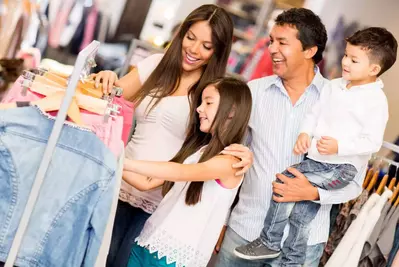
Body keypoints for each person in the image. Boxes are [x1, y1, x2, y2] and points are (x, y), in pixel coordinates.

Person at [92, 5, 254, 267]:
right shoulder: (156, 65)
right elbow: (112, 97)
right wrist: (108, 77)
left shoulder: (213, 93)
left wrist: (245, 152)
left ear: (218, 51)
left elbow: (219, 143)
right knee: (96, 258)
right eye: (190, 38)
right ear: (181, 33)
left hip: (159, 198)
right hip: (118, 183)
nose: (193, 50)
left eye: (206, 46)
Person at [213, 8, 365, 267]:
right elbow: (231, 162)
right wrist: (221, 220)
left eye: (282, 42)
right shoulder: (254, 92)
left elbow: (355, 182)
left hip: (301, 247)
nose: (272, 49)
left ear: (310, 50)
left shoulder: (342, 103)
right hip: (245, 229)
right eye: (271, 41)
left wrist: (314, 193)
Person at [234, 27, 397, 265]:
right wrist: (304, 134)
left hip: (341, 168)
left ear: (374, 69)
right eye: (345, 56)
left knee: (285, 181)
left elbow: (371, 142)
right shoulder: (334, 86)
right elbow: (314, 113)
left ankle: (269, 242)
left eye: (354, 60)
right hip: (317, 161)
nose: (346, 63)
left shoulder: (375, 101)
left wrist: (339, 147)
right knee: (301, 214)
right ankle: (294, 257)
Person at [121, 77, 252, 267]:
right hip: (149, 242)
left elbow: (181, 172)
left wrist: (123, 161)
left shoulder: (231, 162)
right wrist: (111, 157)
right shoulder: (199, 151)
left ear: (231, 111)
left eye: (208, 102)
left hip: (175, 258)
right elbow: (146, 182)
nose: (199, 109)